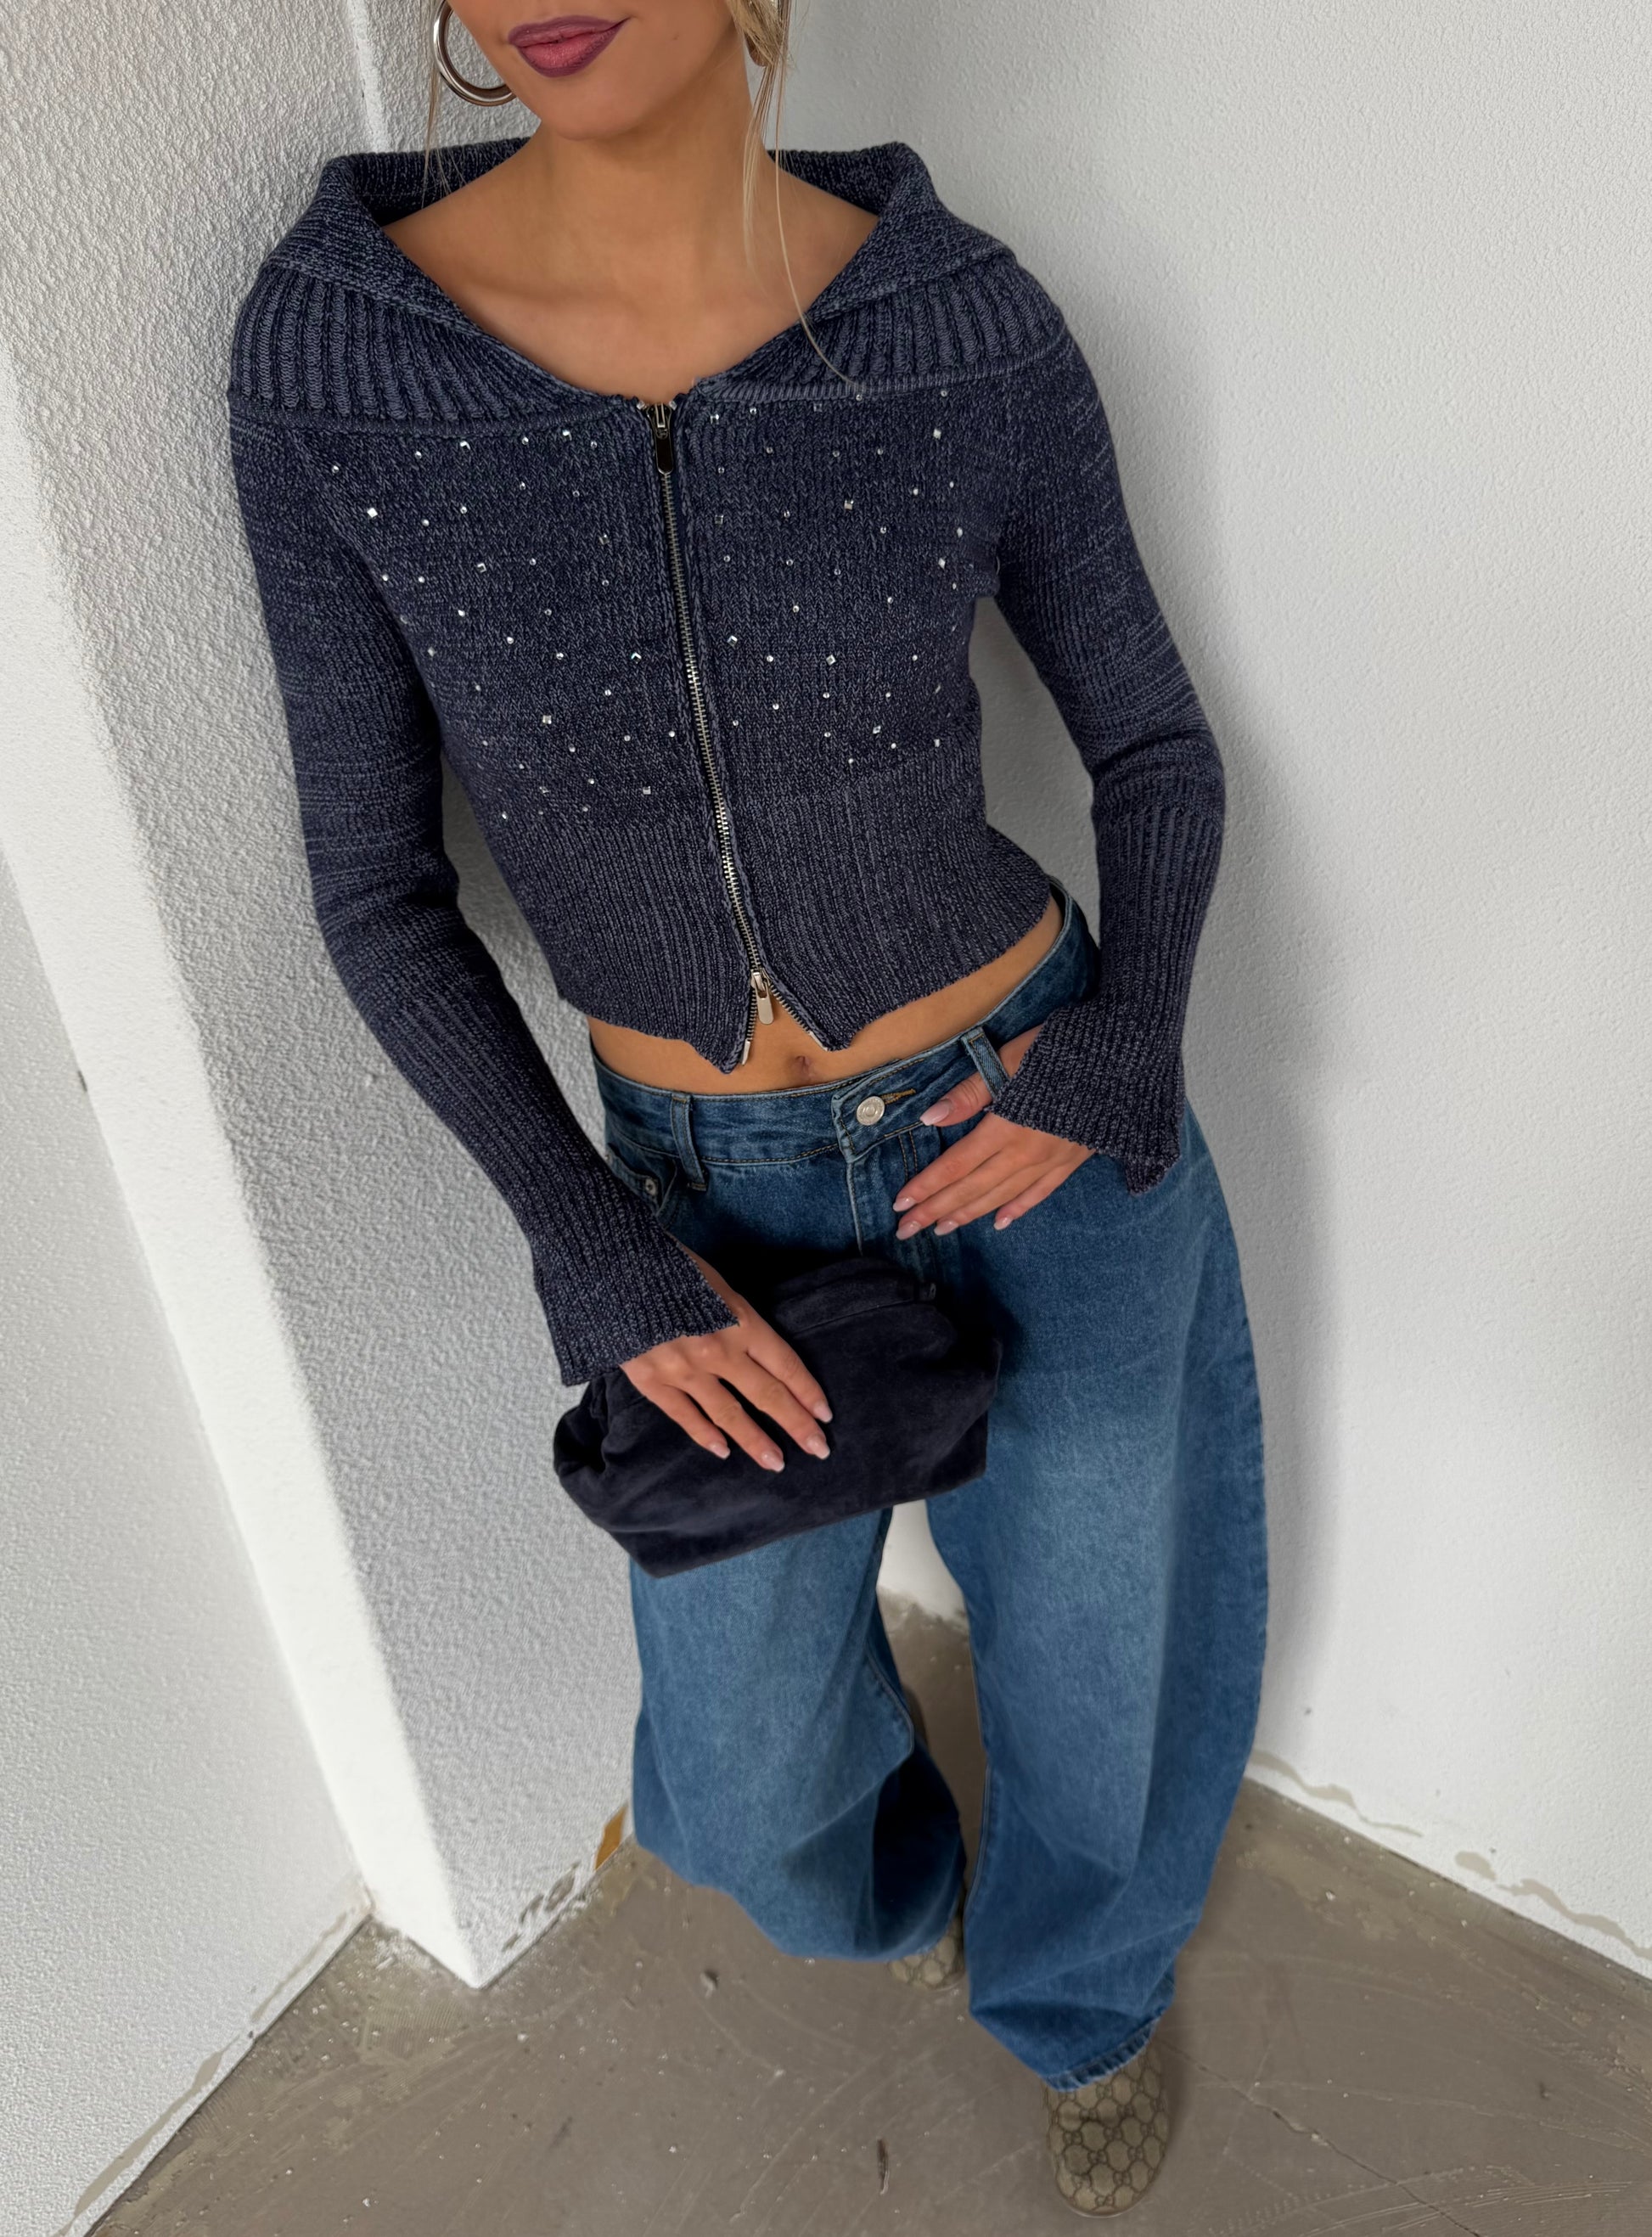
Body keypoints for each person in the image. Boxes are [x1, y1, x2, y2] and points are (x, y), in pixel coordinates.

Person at [225, 0, 1267, 2212]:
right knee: (742, 1777)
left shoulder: (956, 326)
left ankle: (1077, 1996)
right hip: (706, 1201)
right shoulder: (337, 365)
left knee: (1103, 1665)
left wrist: (1124, 1045)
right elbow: (377, 892)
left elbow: (1155, 752)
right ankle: (903, 1898)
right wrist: (588, 1240)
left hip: (1032, 1118)